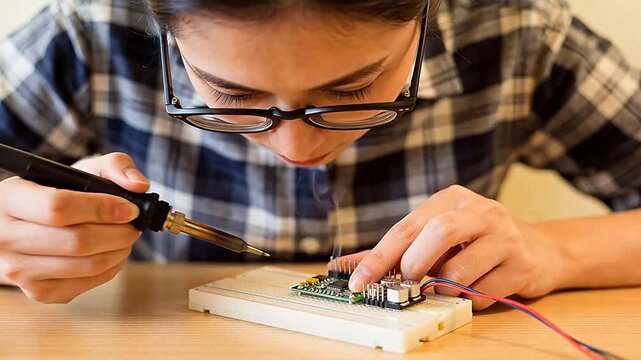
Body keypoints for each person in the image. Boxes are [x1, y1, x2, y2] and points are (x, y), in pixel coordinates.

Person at [1, 0, 640, 309]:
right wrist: (15, 236)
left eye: (355, 89)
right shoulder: (85, 31)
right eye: (230, 94)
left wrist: (556, 251)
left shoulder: (520, 32)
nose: (297, 145)